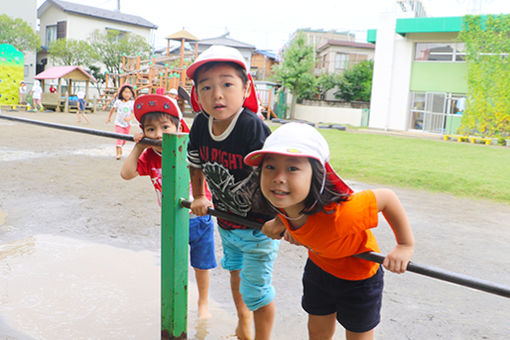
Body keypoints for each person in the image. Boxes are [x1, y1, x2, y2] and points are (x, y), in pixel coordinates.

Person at [244, 122, 415, 340]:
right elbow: (296, 215)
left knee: (358, 336)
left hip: (359, 277)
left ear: (316, 175)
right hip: (319, 268)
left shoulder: (341, 215)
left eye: (292, 168)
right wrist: (280, 222)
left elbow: (387, 198)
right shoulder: (283, 200)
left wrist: (404, 245)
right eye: (270, 167)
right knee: (317, 332)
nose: (278, 177)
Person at [186, 45, 280, 340]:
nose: (217, 94)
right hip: (227, 221)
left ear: (245, 87)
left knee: (258, 290)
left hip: (258, 228)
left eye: (227, 84)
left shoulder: (252, 127)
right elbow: (195, 163)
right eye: (207, 87)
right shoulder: (201, 123)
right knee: (236, 272)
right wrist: (200, 196)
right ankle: (244, 325)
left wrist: (281, 218)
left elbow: (279, 175)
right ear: (197, 93)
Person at [120, 94, 217, 319]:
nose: (158, 134)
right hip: (172, 219)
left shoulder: (188, 149)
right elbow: (126, 174)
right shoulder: (150, 156)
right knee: (175, 264)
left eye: (165, 127)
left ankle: (203, 303)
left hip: (199, 219)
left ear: (178, 126)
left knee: (202, 265)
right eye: (150, 129)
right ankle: (176, 300)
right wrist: (138, 147)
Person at [106, 84, 135, 160]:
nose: (127, 94)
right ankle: (118, 153)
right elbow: (112, 109)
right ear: (122, 93)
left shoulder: (132, 103)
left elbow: (133, 113)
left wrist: (129, 118)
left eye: (129, 92)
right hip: (118, 124)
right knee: (119, 138)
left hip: (127, 125)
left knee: (124, 140)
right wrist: (109, 118)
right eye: (125, 92)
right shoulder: (118, 102)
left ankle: (121, 147)